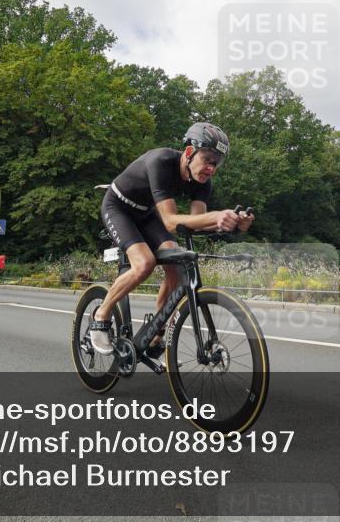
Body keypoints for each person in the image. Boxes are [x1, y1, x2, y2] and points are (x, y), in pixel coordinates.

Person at [89, 122, 253, 357]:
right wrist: (216, 215)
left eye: (216, 163)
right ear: (189, 152)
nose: (211, 168)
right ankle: (101, 315)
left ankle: (156, 332)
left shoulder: (203, 183)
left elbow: (194, 224)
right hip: (118, 208)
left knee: (176, 265)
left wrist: (233, 225)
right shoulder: (161, 162)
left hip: (147, 214)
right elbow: (169, 221)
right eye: (207, 159)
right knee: (144, 263)